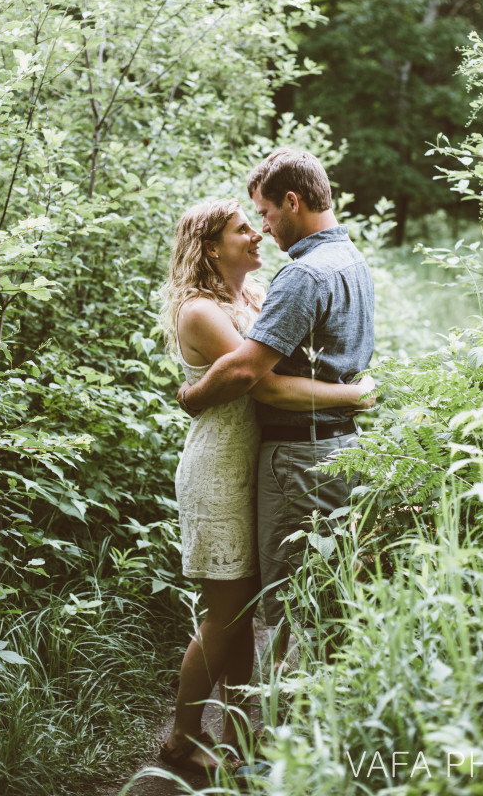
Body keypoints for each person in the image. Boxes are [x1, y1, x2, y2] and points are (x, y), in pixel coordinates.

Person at [159, 197, 373, 775]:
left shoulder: (249, 297)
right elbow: (267, 386)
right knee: (226, 610)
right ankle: (181, 735)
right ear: (210, 246)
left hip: (259, 464)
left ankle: (234, 729)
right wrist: (359, 394)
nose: (256, 235)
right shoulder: (202, 310)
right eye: (240, 229)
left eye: (255, 224)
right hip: (220, 469)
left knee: (247, 607)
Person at [177, 149, 375, 638]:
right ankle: (289, 706)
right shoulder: (350, 258)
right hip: (337, 447)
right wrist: (355, 395)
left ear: (291, 201)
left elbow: (254, 379)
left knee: (300, 605)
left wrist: (193, 396)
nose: (263, 228)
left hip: (300, 457)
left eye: (264, 214)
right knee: (324, 594)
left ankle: (295, 710)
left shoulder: (303, 274)